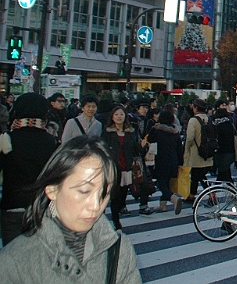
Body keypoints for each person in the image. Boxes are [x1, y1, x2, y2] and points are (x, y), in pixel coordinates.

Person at [0, 136, 142, 282]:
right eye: (84, 191)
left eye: (105, 193)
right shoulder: (14, 261)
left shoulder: (119, 250)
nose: (96, 206)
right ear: (52, 190)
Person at [0, 93, 59, 246]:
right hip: (41, 209)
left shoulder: (7, 139)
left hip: (12, 207)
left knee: (13, 260)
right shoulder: (50, 141)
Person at [101, 105, 154, 229]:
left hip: (127, 167)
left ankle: (116, 214)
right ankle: (115, 221)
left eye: (121, 114)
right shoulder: (107, 132)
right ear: (112, 117)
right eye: (116, 114)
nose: (119, 117)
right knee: (114, 195)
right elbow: (102, 148)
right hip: (113, 167)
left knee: (122, 195)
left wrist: (142, 146)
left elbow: (136, 150)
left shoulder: (130, 132)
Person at [143, 109, 183, 214]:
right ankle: (162, 206)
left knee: (161, 184)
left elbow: (149, 139)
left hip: (161, 160)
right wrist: (180, 163)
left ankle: (173, 198)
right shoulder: (175, 131)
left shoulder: (157, 130)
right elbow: (180, 148)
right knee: (167, 183)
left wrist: (152, 128)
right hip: (174, 160)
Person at [183, 99, 214, 200]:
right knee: (199, 175)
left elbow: (190, 137)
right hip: (208, 151)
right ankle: (193, 194)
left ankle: (209, 194)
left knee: (197, 175)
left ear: (195, 108)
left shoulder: (193, 120)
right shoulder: (209, 119)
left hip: (196, 152)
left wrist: (186, 149)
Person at [212, 105, 236, 182]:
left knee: (223, 173)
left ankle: (214, 190)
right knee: (225, 172)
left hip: (221, 151)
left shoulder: (217, 126)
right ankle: (231, 188)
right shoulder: (230, 124)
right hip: (231, 151)